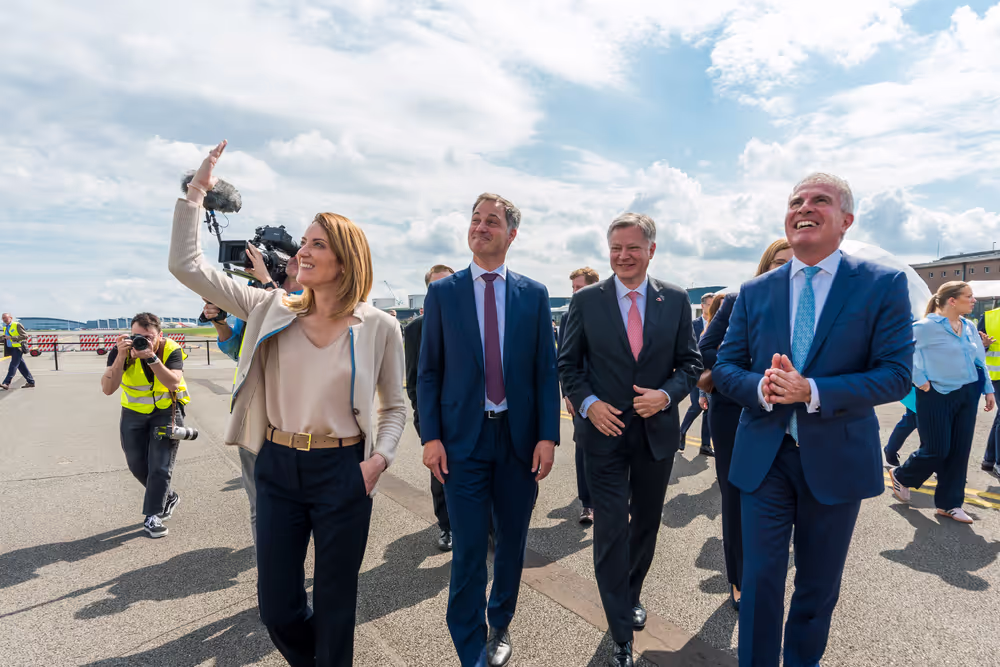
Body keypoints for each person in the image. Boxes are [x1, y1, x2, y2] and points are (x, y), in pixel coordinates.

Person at [169, 141, 406, 666]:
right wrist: (196, 191)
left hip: (345, 468)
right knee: (277, 609)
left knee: (337, 604)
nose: (302, 251)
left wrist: (378, 460)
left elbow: (395, 407)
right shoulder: (271, 306)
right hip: (277, 465)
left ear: (346, 259)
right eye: (303, 242)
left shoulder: (380, 327)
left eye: (316, 244)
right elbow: (186, 265)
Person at [713, 173, 914, 667]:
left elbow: (894, 375)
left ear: (845, 220)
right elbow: (724, 367)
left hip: (836, 458)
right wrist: (762, 387)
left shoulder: (880, 284)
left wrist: (813, 391)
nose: (804, 208)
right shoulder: (755, 291)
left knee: (818, 586)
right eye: (796, 201)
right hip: (767, 456)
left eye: (819, 201)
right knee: (760, 579)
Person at [417, 192, 560, 667]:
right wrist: (431, 436)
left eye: (492, 221)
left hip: (518, 441)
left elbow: (545, 371)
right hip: (463, 440)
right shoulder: (444, 292)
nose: (481, 227)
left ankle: (500, 622)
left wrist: (547, 435)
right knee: (470, 546)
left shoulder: (533, 295)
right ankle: (469, 642)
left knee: (512, 541)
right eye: (476, 219)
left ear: (511, 234)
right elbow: (429, 371)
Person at [558, 213, 702, 667]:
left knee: (645, 525)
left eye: (632, 248)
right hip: (603, 436)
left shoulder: (676, 300)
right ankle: (620, 626)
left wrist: (665, 395)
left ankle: (630, 592)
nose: (623, 256)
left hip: (656, 435)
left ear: (651, 250)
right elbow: (568, 367)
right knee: (611, 529)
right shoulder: (586, 302)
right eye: (616, 248)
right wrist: (589, 404)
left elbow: (690, 364)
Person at [699, 238, 792, 613]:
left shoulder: (814, 307)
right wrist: (753, 373)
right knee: (737, 496)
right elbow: (706, 350)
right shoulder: (740, 300)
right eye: (778, 261)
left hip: (792, 416)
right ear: (766, 265)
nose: (786, 267)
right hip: (735, 411)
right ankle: (738, 578)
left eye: (794, 261)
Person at [202, 250, 303, 545]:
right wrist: (219, 320)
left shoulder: (313, 297)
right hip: (253, 411)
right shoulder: (254, 296)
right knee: (259, 501)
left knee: (296, 497)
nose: (298, 258)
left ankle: (289, 550)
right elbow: (235, 349)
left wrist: (266, 281)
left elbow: (297, 333)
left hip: (295, 415)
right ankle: (269, 565)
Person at [888, 282, 996, 523]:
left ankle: (949, 504)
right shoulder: (925, 327)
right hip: (935, 393)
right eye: (969, 296)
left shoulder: (968, 326)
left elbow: (979, 361)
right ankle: (902, 476)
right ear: (952, 301)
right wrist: (920, 380)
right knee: (937, 449)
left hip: (968, 393)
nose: (974, 300)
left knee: (959, 451)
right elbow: (900, 352)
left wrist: (988, 389)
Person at [100, 312, 189, 538]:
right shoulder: (121, 351)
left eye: (149, 337)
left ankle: (153, 516)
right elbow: (108, 389)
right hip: (133, 413)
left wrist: (151, 357)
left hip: (166, 411)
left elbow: (173, 381)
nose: (142, 341)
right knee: (136, 464)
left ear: (160, 335)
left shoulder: (170, 349)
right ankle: (167, 496)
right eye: (137, 336)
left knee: (159, 466)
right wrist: (121, 357)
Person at [404, 263, 456, 551]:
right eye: (437, 286)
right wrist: (425, 426)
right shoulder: (415, 330)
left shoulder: (470, 320)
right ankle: (446, 526)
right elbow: (413, 382)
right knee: (441, 474)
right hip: (436, 416)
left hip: (470, 414)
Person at [559, 266, 600, 525]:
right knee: (583, 449)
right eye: (573, 288)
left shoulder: (611, 311)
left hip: (611, 394)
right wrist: (568, 394)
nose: (575, 292)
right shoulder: (568, 317)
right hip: (580, 395)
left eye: (579, 287)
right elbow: (564, 359)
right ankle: (587, 504)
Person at [678, 293, 715, 456]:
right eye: (710, 304)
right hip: (695, 373)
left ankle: (705, 445)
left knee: (708, 408)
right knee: (696, 404)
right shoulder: (693, 325)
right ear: (703, 306)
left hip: (711, 375)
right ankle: (681, 432)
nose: (714, 308)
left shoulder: (718, 325)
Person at [978, 307, 1000, 478]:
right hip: (996, 375)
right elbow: (975, 350)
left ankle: (989, 459)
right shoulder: (988, 317)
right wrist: (984, 345)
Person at [1, 313, 35, 390]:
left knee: (13, 365)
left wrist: (12, 337)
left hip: (18, 348)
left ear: (10, 318)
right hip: (11, 348)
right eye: (3, 318)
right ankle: (31, 382)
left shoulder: (17, 325)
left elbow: (24, 336)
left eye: (6, 318)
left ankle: (6, 383)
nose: (4, 319)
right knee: (22, 366)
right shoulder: (5, 327)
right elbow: (5, 338)